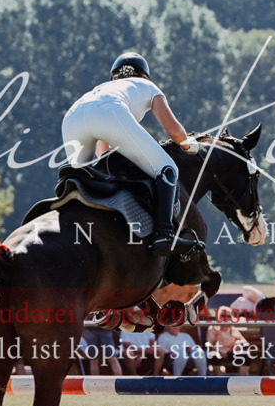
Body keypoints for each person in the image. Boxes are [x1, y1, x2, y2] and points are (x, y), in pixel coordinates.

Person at [61, 52, 202, 256]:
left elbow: (104, 154)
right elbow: (174, 132)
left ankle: (66, 218)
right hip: (109, 112)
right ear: (144, 75)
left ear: (114, 76)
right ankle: (164, 235)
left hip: (72, 116)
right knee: (168, 168)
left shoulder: (103, 89)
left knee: (78, 177)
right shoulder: (150, 87)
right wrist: (190, 145)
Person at [205, 306, 250, 375]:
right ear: (219, 317)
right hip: (218, 352)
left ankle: (241, 380)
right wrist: (221, 351)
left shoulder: (232, 329)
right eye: (223, 315)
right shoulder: (213, 328)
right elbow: (209, 344)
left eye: (228, 316)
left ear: (231, 318)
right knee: (213, 356)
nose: (225, 318)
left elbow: (244, 342)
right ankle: (219, 380)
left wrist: (238, 343)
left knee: (246, 355)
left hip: (231, 353)